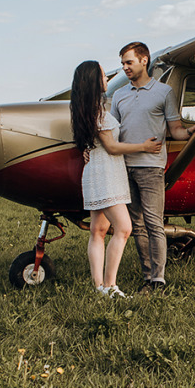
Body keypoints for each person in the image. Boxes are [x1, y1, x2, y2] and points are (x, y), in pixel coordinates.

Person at [71, 60, 159, 296]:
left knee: (98, 230)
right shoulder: (97, 112)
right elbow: (110, 147)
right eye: (103, 76)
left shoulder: (86, 110)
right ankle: (110, 286)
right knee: (124, 228)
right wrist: (143, 146)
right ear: (93, 81)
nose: (107, 80)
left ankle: (99, 287)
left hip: (95, 172)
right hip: (106, 174)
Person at [109, 43, 189, 292]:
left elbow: (175, 130)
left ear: (144, 61)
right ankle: (148, 277)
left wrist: (192, 131)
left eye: (128, 62)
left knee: (154, 224)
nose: (124, 68)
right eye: (123, 63)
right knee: (137, 225)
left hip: (151, 168)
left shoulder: (164, 92)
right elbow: (112, 131)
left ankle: (159, 279)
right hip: (125, 166)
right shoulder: (120, 95)